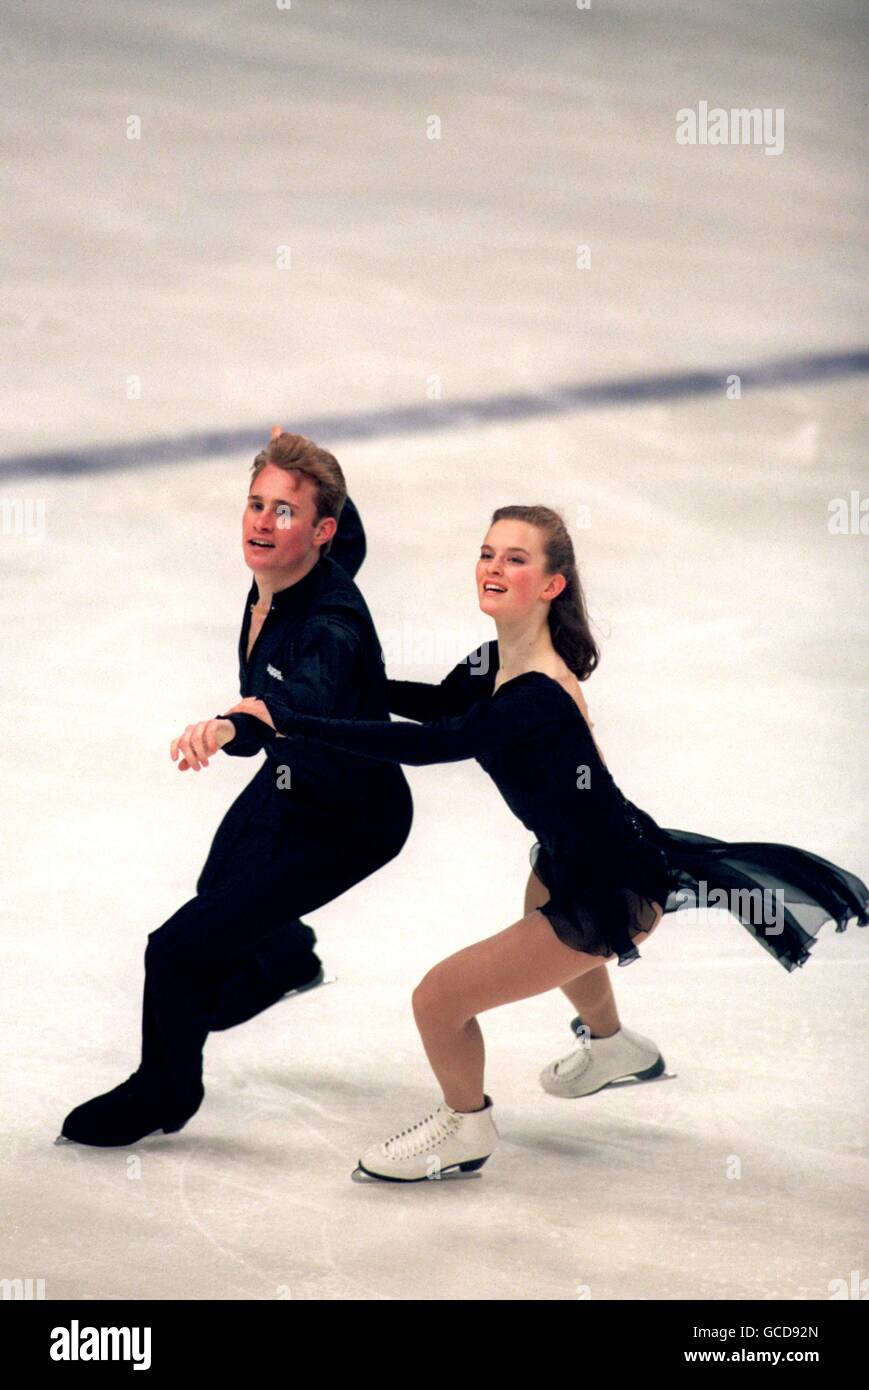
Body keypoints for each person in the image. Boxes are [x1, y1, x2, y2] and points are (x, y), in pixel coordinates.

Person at [217, 504, 869, 1183]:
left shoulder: (537, 694)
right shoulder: (491, 662)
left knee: (438, 1000)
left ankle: (463, 1128)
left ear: (552, 584)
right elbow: (439, 707)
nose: (493, 568)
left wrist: (294, 720)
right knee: (551, 932)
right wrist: (335, 691)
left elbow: (435, 743)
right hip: (575, 856)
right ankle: (613, 1047)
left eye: (515, 558)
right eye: (487, 553)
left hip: (610, 883)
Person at [59, 432, 413, 1147]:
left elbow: (296, 702)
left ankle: (165, 1091)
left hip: (350, 818)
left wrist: (230, 727)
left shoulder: (328, 627)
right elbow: (350, 531)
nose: (260, 523)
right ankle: (288, 959)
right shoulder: (306, 558)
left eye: (284, 512)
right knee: (217, 899)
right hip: (291, 787)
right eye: (256, 504)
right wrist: (298, 455)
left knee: (177, 951)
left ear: (318, 533)